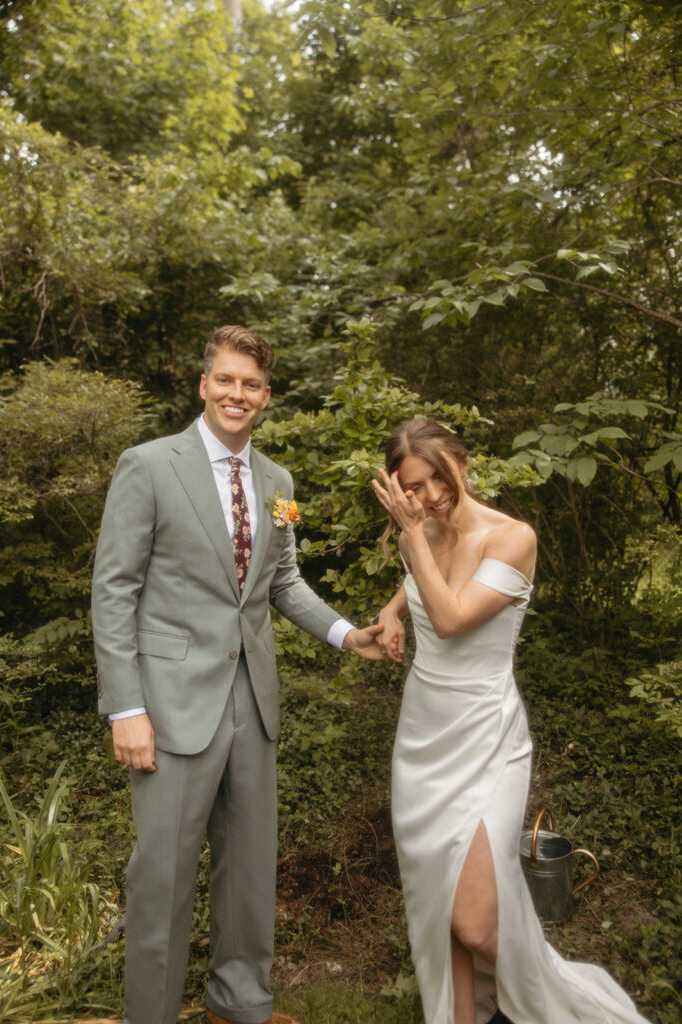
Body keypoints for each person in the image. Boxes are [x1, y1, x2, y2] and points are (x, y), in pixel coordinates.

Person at [91, 325, 384, 1024]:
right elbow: (113, 591)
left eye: (250, 384)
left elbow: (282, 581)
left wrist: (348, 634)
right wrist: (124, 706)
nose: (236, 393)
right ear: (203, 385)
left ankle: (239, 1002)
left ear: (266, 397)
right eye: (225, 379)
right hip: (166, 706)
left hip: (253, 702)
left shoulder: (277, 483)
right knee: (161, 878)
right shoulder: (149, 465)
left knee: (249, 870)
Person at [371, 418, 650, 1024]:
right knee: (440, 905)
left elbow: (449, 618)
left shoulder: (512, 537)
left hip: (485, 739)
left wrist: (410, 535)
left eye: (437, 478)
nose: (430, 496)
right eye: (412, 488)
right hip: (421, 738)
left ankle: (565, 1008)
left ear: (461, 464)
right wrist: (392, 611)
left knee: (474, 920)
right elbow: (419, 585)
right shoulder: (421, 536)